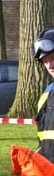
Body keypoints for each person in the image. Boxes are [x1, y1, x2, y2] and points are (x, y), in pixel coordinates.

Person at [33, 29, 54, 162]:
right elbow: (43, 137)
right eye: (45, 61)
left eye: (53, 59)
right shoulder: (47, 94)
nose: (50, 65)